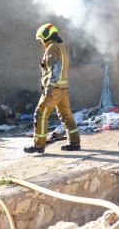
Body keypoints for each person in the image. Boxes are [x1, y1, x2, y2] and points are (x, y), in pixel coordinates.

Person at [24, 23, 81, 155]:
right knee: (66, 115)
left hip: (54, 89)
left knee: (40, 113)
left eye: (41, 39)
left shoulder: (52, 48)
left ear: (46, 36)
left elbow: (55, 68)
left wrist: (49, 86)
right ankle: (74, 143)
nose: (41, 42)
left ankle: (38, 145)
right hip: (63, 88)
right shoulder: (61, 47)